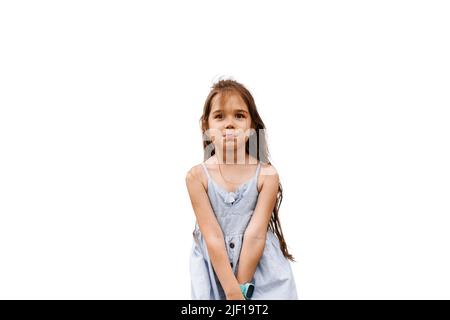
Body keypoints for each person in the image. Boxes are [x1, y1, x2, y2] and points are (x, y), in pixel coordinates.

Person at [185, 78, 298, 300]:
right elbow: (213, 237)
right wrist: (231, 291)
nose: (229, 124)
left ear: (251, 127)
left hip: (260, 269)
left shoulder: (267, 175)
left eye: (239, 115)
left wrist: (241, 289)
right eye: (219, 116)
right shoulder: (197, 177)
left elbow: (256, 236)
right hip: (215, 272)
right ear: (206, 127)